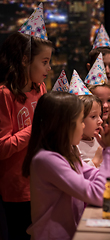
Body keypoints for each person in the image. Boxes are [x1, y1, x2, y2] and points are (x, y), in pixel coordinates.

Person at [22, 91, 110, 239]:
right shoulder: (46, 160)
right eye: (80, 121)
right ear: (64, 125)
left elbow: (106, 187)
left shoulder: (69, 152)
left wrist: (109, 152)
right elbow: (101, 195)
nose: (83, 126)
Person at [0, 31, 52, 239]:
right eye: (45, 62)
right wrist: (34, 128)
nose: (49, 68)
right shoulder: (4, 95)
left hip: (43, 180)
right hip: (17, 189)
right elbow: (2, 147)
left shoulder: (40, 88)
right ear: (24, 60)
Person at [77, 95, 104, 168]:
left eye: (100, 115)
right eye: (93, 116)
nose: (100, 121)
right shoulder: (73, 146)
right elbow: (78, 174)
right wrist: (96, 160)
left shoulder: (101, 140)